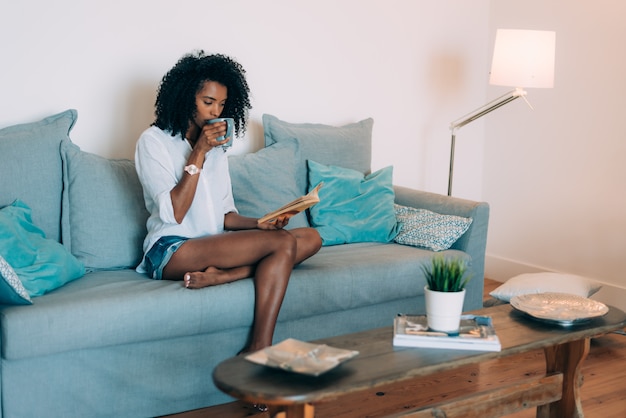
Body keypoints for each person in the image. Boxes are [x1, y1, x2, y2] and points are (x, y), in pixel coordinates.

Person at [135, 51, 322, 353]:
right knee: (283, 245)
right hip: (170, 249)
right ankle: (259, 347)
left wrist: (260, 224)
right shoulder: (153, 142)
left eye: (221, 104)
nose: (215, 111)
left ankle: (223, 276)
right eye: (208, 102)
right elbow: (175, 213)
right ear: (185, 97)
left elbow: (225, 215)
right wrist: (198, 152)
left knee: (310, 237)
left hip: (213, 243)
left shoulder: (218, 149)